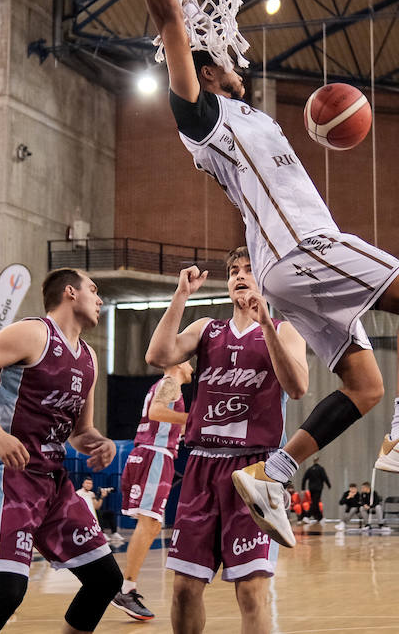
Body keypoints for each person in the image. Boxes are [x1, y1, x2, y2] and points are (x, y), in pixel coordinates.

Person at [130, 0, 399, 547]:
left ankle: (272, 476)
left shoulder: (252, 118)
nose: (242, 64)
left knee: (364, 386)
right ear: (207, 74)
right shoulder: (204, 118)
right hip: (302, 250)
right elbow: (170, 27)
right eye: (229, 62)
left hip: (288, 271)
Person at [0, 267, 122, 634]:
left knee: (105, 580)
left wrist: (100, 443)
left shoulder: (88, 357)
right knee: (6, 593)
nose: (100, 298)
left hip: (52, 483)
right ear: (70, 292)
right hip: (6, 477)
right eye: (94, 289)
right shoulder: (33, 333)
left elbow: (79, 432)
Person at [144, 249, 308, 634]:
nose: (239, 276)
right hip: (202, 465)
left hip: (254, 470)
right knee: (184, 588)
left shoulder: (285, 329)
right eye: (234, 270)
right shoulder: (207, 329)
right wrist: (181, 295)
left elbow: (298, 387)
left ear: (266, 279)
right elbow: (158, 354)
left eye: (249, 270)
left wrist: (265, 322)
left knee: (251, 592)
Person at [113, 361, 193, 620]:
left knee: (152, 525)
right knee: (149, 524)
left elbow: (161, 419)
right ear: (178, 363)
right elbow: (158, 412)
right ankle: (126, 588)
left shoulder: (163, 385)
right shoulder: (170, 382)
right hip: (154, 457)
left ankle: (127, 586)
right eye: (189, 361)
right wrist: (192, 419)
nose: (192, 366)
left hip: (152, 455)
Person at [300, 458, 330, 524]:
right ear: (318, 461)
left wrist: (303, 488)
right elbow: (325, 477)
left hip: (311, 488)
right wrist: (329, 485)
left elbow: (304, 479)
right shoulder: (321, 469)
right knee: (315, 503)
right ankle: (307, 516)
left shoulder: (310, 469)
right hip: (318, 489)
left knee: (315, 502)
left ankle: (320, 518)